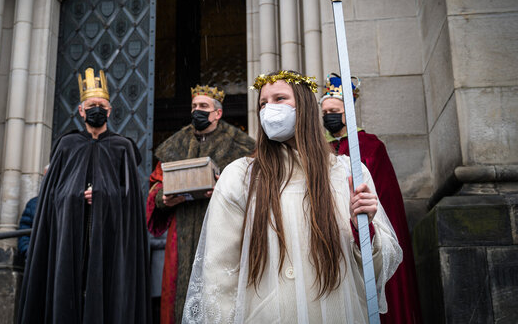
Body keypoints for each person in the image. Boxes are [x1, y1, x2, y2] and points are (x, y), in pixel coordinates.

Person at [182, 71, 402, 323]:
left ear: (305, 107)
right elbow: (219, 272)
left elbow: (375, 273)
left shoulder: (348, 172)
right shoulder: (239, 177)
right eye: (263, 103)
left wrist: (363, 229)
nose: (269, 109)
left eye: (279, 99)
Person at [18, 68, 151, 323]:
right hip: (69, 236)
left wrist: (102, 196)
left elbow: (129, 201)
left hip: (109, 238)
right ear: (81, 111)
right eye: (91, 105)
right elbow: (53, 197)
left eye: (102, 105)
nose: (96, 109)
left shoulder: (123, 148)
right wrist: (77, 196)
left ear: (110, 111)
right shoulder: (66, 146)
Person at [146, 85, 255, 324]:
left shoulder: (241, 145)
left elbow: (255, 187)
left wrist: (224, 189)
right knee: (179, 294)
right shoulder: (176, 143)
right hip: (181, 231)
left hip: (223, 228)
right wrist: (163, 198)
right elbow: (155, 185)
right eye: (194, 106)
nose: (197, 111)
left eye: (203, 107)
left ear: (217, 113)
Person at [320, 73, 422, 324]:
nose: (328, 116)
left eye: (334, 110)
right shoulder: (320, 151)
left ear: (348, 113)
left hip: (365, 232)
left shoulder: (370, 147)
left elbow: (386, 201)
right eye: (324, 112)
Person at [17, 165, 48, 258]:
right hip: (37, 259)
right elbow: (24, 231)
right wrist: (28, 251)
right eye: (44, 177)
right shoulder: (34, 203)